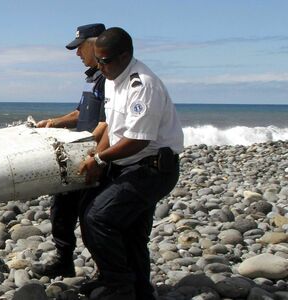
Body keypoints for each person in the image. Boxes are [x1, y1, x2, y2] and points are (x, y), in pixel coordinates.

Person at [78, 27, 183, 300]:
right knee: (129, 230)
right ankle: (137, 289)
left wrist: (100, 158)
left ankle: (119, 286)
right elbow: (113, 129)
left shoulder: (143, 85)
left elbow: (137, 140)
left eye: (106, 61)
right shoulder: (112, 77)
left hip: (153, 168)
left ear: (125, 56)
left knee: (99, 218)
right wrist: (95, 158)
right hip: (129, 164)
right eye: (98, 61)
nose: (100, 66)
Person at [32, 23, 107, 278]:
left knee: (92, 218)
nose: (77, 54)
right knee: (61, 208)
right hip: (79, 153)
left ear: (97, 45)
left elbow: (108, 124)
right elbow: (79, 114)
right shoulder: (91, 78)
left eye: (80, 48)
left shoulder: (109, 79)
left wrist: (95, 157)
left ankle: (105, 271)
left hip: (96, 157)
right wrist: (52, 122)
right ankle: (64, 259)